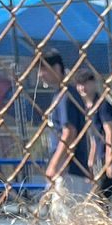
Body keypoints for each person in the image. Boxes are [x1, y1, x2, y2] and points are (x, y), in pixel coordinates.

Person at [39, 51, 95, 199]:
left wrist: (54, 165)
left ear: (56, 68)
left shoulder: (66, 96)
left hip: (68, 169)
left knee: (65, 216)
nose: (40, 74)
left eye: (43, 69)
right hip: (67, 169)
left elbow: (69, 132)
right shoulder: (60, 94)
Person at [75, 68, 112, 211]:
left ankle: (110, 223)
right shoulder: (87, 108)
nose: (82, 87)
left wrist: (110, 161)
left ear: (93, 84)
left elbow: (110, 132)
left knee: (103, 195)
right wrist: (90, 161)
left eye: (86, 83)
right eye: (79, 84)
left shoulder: (103, 105)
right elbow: (94, 136)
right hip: (101, 158)